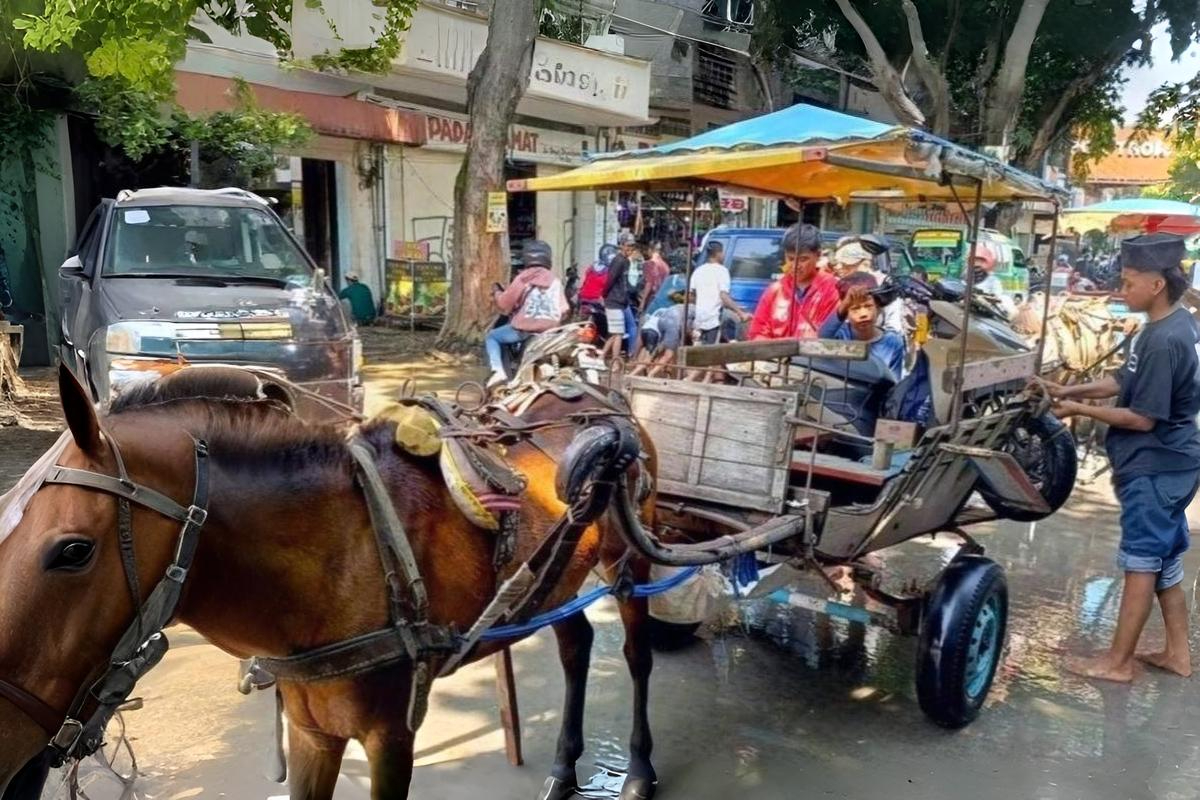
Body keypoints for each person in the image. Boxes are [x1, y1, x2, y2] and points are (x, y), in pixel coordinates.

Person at [1045, 233, 1200, 682]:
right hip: (1175, 463)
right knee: (1165, 561)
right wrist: (1071, 388)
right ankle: (1177, 654)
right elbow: (1121, 379)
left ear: (1156, 285)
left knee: (1140, 562)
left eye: (1130, 282)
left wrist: (1076, 410)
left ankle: (1117, 663)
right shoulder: (1170, 324)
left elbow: (1141, 417)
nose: (1121, 289)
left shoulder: (1163, 340)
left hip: (1156, 465)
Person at [485, 239, 568, 388]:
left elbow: (504, 303)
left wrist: (497, 293)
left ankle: (498, 372)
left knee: (492, 336)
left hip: (525, 330)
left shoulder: (523, 278)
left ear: (527, 257)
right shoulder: (555, 280)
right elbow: (564, 309)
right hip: (551, 332)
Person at [749, 223, 840, 340]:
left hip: (816, 356)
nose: (795, 265)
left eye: (803, 259)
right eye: (791, 259)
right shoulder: (776, 290)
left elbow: (833, 334)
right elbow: (758, 332)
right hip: (776, 355)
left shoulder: (832, 288)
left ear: (818, 255)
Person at [818, 273, 906, 379]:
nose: (863, 314)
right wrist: (844, 305)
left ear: (878, 307)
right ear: (847, 313)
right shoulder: (842, 335)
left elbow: (895, 381)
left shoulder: (892, 342)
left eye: (868, 306)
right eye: (855, 308)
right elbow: (823, 337)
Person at [834, 239, 904, 336]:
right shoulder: (837, 286)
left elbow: (894, 328)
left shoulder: (884, 287)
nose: (839, 268)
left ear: (865, 264)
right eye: (838, 263)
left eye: (847, 265)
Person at [691, 240, 749, 345]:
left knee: (698, 351)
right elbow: (723, 296)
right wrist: (740, 313)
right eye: (722, 252)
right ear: (718, 253)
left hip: (699, 320)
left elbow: (692, 295)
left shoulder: (698, 271)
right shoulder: (722, 271)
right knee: (711, 353)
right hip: (713, 320)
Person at [630, 293, 696, 378]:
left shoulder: (680, 307)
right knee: (669, 355)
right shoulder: (695, 311)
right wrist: (692, 335)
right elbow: (687, 329)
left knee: (654, 354)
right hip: (670, 326)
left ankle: (633, 374)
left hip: (661, 325)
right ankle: (651, 374)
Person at [601, 232, 638, 361]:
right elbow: (610, 280)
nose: (630, 249)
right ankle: (615, 362)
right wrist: (604, 295)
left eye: (632, 246)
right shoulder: (618, 261)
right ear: (621, 245)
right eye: (628, 246)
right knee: (618, 333)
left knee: (615, 333)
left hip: (620, 301)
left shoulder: (625, 261)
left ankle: (601, 357)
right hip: (614, 301)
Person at [640, 242, 670, 315]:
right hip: (662, 298)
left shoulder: (650, 263)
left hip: (652, 299)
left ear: (650, 250)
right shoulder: (665, 265)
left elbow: (649, 283)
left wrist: (642, 302)